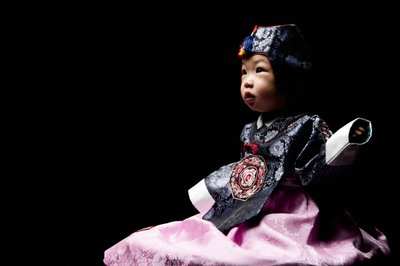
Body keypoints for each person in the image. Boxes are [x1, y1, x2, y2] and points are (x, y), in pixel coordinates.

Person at [104, 24, 390, 265]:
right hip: (250, 204)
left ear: (288, 77)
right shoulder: (248, 129)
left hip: (293, 211)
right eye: (244, 72)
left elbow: (318, 172)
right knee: (202, 237)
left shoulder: (306, 125)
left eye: (259, 71)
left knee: (273, 254)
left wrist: (344, 144)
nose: (248, 82)